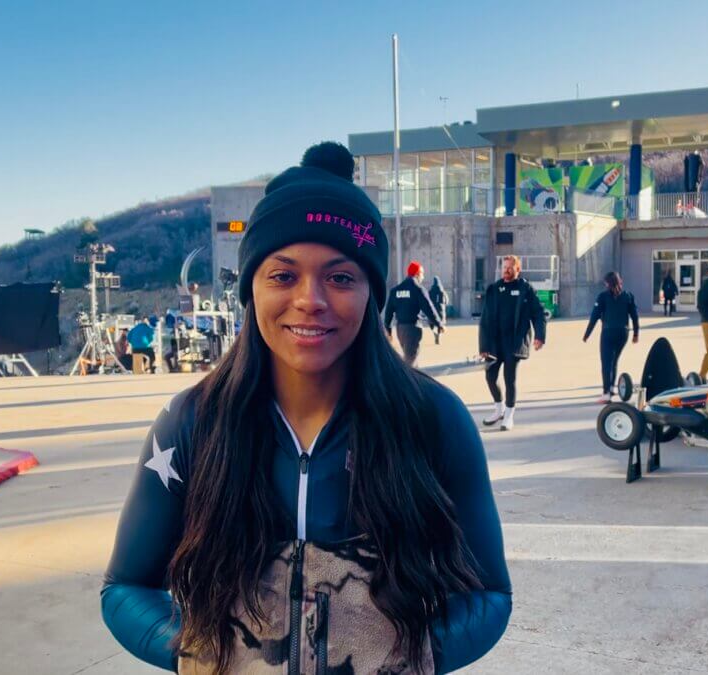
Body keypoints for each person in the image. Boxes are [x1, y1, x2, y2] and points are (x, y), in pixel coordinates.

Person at [102, 142, 509, 673]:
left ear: (372, 292)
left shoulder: (433, 419)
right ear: (251, 287)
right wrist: (204, 653)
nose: (310, 299)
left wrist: (404, 657)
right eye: (283, 275)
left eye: (341, 277)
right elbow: (124, 587)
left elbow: (490, 594)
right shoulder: (192, 421)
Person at [478, 254, 546, 431]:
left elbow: (538, 313)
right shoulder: (494, 289)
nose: (506, 270)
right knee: (490, 377)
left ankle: (509, 415)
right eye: (504, 266)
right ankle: (499, 408)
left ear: (518, 269)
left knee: (510, 378)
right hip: (494, 342)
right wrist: (484, 346)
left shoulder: (525, 289)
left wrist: (540, 336)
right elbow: (484, 320)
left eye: (510, 267)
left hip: (514, 342)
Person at [583, 271, 640, 403]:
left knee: (606, 363)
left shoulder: (603, 297)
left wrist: (587, 334)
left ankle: (606, 393)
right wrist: (636, 333)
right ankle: (611, 387)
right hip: (623, 333)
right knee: (614, 360)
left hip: (608, 332)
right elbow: (635, 316)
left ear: (608, 284)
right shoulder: (628, 296)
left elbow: (594, 316)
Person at [383, 261, 444, 367]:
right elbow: (429, 308)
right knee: (410, 362)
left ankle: (412, 379)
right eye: (422, 274)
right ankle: (406, 381)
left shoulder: (396, 290)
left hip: (400, 329)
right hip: (413, 329)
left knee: (410, 357)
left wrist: (388, 330)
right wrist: (439, 324)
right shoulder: (418, 289)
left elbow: (388, 312)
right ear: (417, 273)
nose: (423, 277)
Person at [429, 275, 449, 344]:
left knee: (431, 324)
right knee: (440, 324)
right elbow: (447, 301)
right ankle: (439, 335)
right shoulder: (443, 291)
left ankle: (435, 334)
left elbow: (427, 300)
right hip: (441, 310)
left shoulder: (431, 291)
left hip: (433, 310)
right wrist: (443, 306)